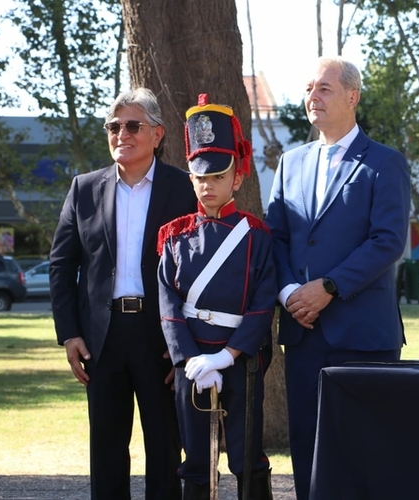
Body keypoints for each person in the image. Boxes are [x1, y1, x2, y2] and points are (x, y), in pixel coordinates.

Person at [264, 56, 411, 500]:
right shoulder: (291, 163)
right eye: (309, 88)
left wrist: (328, 287)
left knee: (367, 454)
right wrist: (291, 292)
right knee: (309, 453)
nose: (313, 96)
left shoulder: (385, 163)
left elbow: (387, 240)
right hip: (304, 333)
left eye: (324, 88)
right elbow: (275, 237)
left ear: (353, 97)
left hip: (364, 335)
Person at [49, 87, 197, 500]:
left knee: (166, 448)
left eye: (133, 125)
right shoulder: (83, 189)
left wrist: (185, 343)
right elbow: (62, 265)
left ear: (158, 134)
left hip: (161, 338)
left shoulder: (185, 189)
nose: (121, 134)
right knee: (107, 450)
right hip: (102, 339)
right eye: (113, 126)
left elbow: (200, 267)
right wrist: (70, 334)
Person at [157, 94, 276, 500]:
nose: (208, 186)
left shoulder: (257, 236)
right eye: (200, 177)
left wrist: (228, 357)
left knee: (247, 456)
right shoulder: (174, 236)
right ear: (191, 177)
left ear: (236, 179)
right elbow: (169, 304)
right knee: (196, 460)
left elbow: (263, 303)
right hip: (192, 361)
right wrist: (190, 359)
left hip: (240, 360)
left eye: (218, 177)